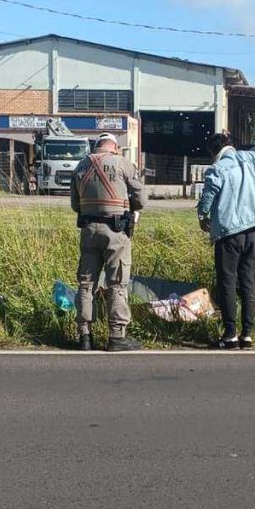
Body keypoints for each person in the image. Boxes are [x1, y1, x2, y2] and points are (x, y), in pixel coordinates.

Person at [197, 133, 255, 349]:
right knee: (248, 281)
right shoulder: (252, 158)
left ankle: (230, 333)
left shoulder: (218, 168)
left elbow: (208, 195)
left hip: (228, 232)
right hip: (253, 230)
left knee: (227, 282)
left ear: (214, 151)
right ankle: (248, 334)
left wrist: (202, 216)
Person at [70, 132, 146, 352]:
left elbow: (75, 204)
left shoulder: (81, 166)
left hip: (88, 230)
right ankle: (116, 336)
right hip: (116, 231)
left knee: (86, 285)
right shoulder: (122, 163)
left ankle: (85, 335)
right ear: (114, 147)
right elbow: (140, 198)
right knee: (117, 284)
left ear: (97, 146)